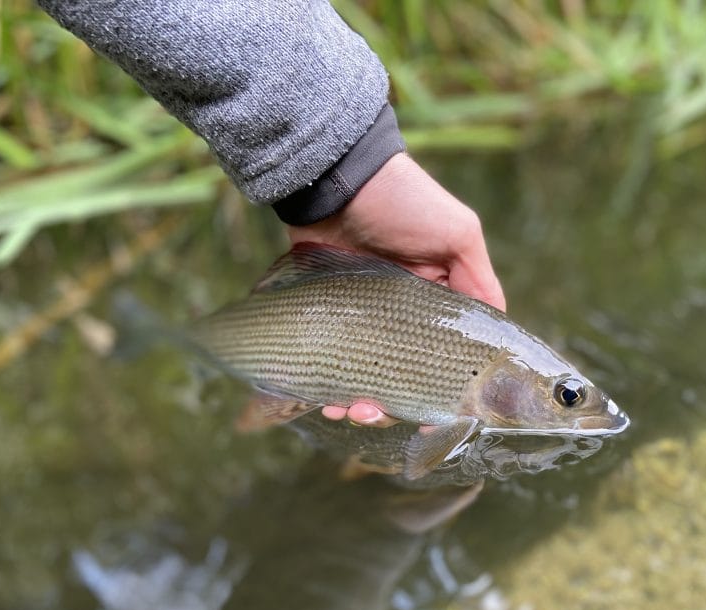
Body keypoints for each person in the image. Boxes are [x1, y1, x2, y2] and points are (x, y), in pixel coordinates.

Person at [38, 0, 506, 427]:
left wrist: (346, 176)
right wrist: (346, 168)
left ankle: (159, 334)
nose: (576, 407)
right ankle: (155, 334)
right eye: (567, 397)